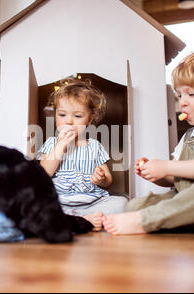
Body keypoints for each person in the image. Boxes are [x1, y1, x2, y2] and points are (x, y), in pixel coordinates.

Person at [103, 50, 194, 235]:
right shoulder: (189, 135)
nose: (182, 103)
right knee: (136, 204)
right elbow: (178, 178)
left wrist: (167, 166)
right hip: (191, 204)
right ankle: (156, 217)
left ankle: (145, 221)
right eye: (179, 95)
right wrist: (158, 174)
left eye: (191, 94)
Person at [37, 78, 127, 231]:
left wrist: (101, 178)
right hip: (59, 201)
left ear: (89, 120)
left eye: (77, 116)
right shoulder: (52, 143)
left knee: (122, 203)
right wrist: (60, 145)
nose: (69, 122)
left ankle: (80, 219)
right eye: (62, 115)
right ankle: (81, 220)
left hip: (91, 202)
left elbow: (108, 179)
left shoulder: (94, 146)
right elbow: (43, 173)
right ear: (55, 115)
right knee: (36, 204)